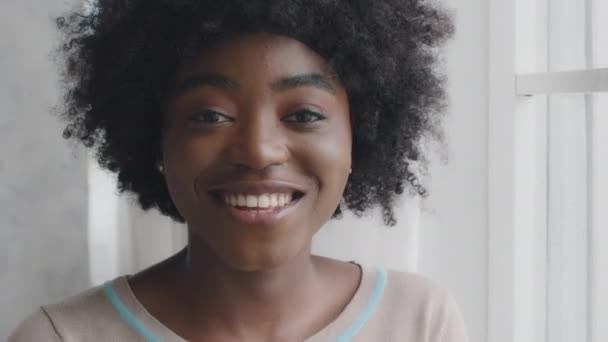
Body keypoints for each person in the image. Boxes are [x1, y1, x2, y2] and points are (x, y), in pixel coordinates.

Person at [9, 0, 467, 341]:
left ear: (360, 134)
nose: (259, 150)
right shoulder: (60, 338)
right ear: (155, 137)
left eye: (304, 115)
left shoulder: (419, 321)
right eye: (210, 115)